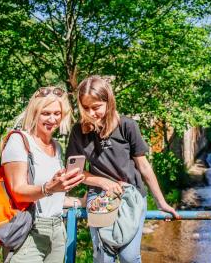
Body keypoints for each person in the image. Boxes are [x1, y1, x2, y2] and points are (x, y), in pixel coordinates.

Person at [67, 75, 180, 263]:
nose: (91, 113)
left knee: (129, 257)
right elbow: (75, 172)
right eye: (85, 108)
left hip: (132, 195)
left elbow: (143, 166)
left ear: (108, 102)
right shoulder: (78, 132)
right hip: (100, 196)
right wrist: (102, 182)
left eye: (96, 107)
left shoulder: (127, 125)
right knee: (104, 258)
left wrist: (161, 202)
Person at [1, 86, 85, 262]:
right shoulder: (19, 140)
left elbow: (52, 200)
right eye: (46, 113)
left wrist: (79, 201)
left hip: (57, 231)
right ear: (34, 112)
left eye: (57, 113)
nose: (52, 119)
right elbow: (18, 191)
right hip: (29, 231)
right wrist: (49, 188)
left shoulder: (57, 147)